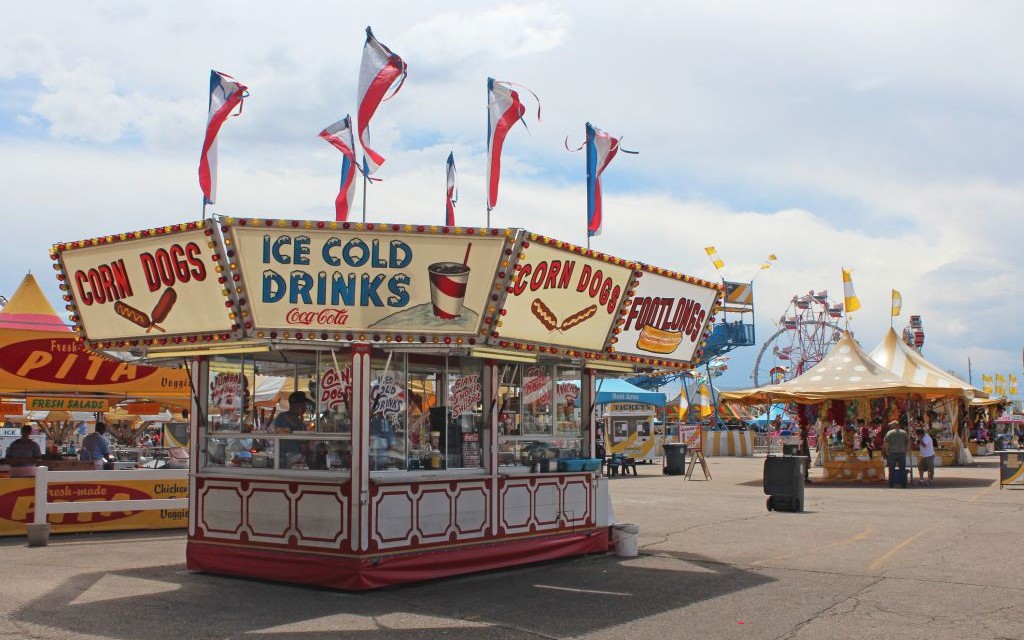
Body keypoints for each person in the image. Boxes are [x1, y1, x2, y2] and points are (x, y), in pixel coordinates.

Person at [883, 420, 910, 488]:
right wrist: (906, 450)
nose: (891, 426)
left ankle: (891, 484)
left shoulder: (889, 433)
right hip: (902, 453)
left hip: (892, 453)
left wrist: (887, 451)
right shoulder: (904, 433)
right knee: (902, 469)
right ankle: (903, 484)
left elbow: (886, 443)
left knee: (891, 469)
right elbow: (908, 443)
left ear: (894, 425)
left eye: (891, 425)